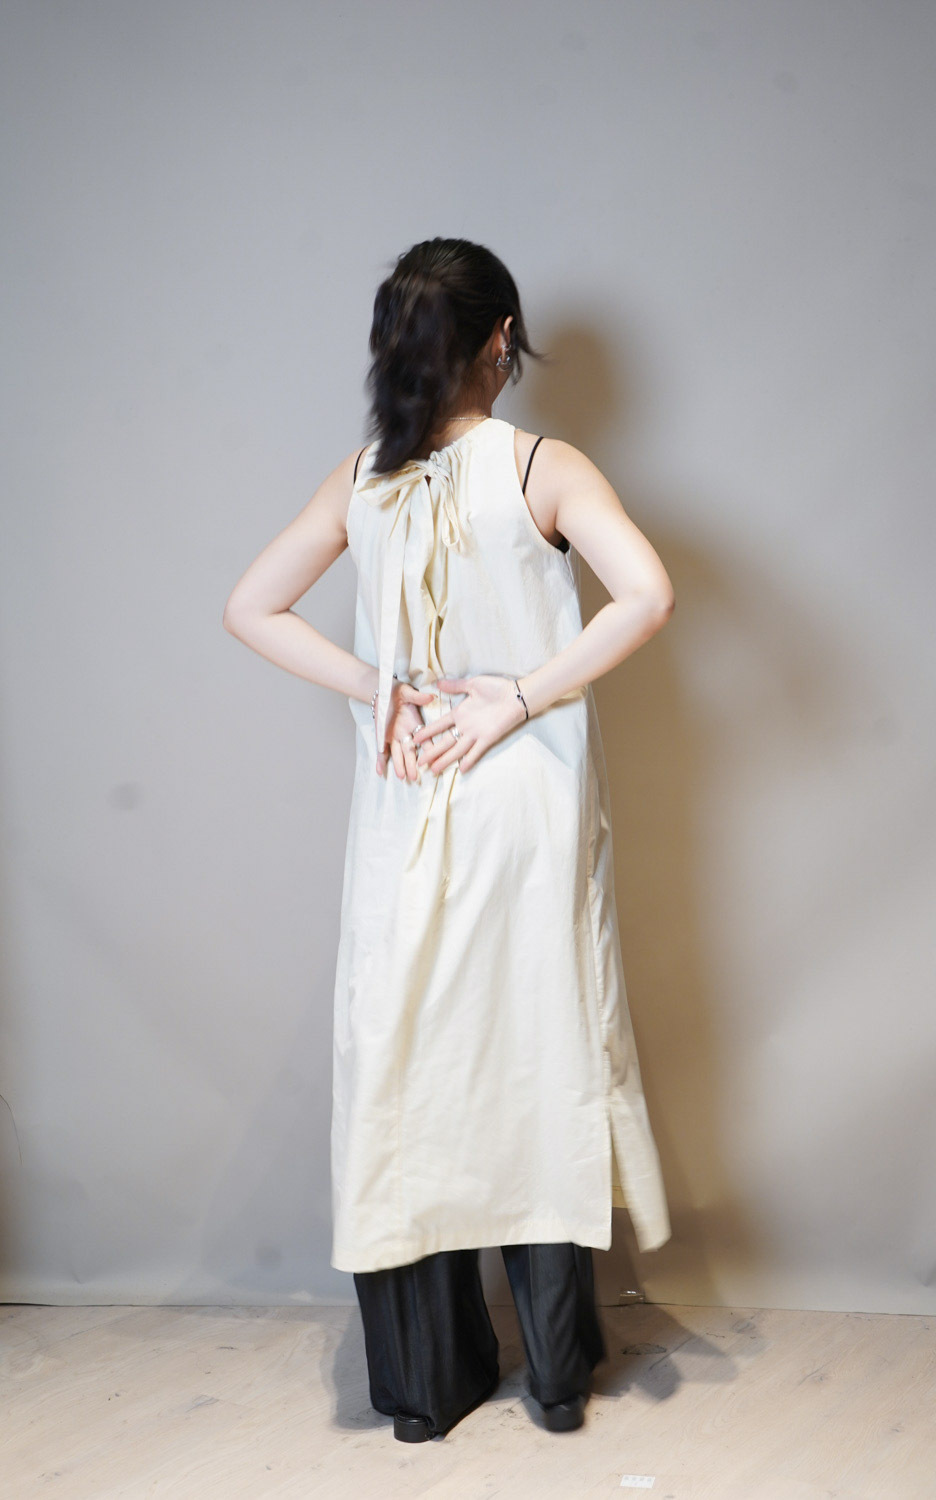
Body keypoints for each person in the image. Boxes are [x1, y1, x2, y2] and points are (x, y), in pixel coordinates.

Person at [223, 237, 676, 1441]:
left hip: (406, 799)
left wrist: (378, 689)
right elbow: (647, 594)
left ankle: (425, 1389)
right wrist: (517, 698)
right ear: (500, 341)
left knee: (405, 1070)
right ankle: (556, 1380)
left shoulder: (360, 478)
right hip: (523, 798)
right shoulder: (542, 465)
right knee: (537, 1053)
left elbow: (250, 606)